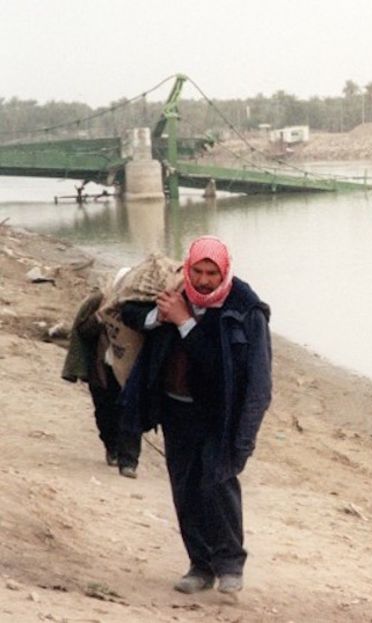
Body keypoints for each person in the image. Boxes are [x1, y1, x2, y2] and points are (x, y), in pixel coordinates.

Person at [119, 236, 272, 595]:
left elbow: (233, 374)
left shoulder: (245, 310)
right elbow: (131, 313)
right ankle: (200, 566)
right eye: (198, 271)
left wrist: (185, 322)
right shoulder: (175, 294)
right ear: (188, 269)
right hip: (175, 410)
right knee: (185, 489)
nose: (203, 281)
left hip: (219, 416)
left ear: (225, 273)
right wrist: (161, 316)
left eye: (211, 273)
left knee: (218, 486)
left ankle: (230, 564)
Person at [61, 286, 142, 478]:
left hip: (130, 371)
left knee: (130, 415)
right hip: (102, 369)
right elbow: (83, 331)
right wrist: (101, 317)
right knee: (105, 412)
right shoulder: (100, 302)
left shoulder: (140, 307)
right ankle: (111, 447)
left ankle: (128, 461)